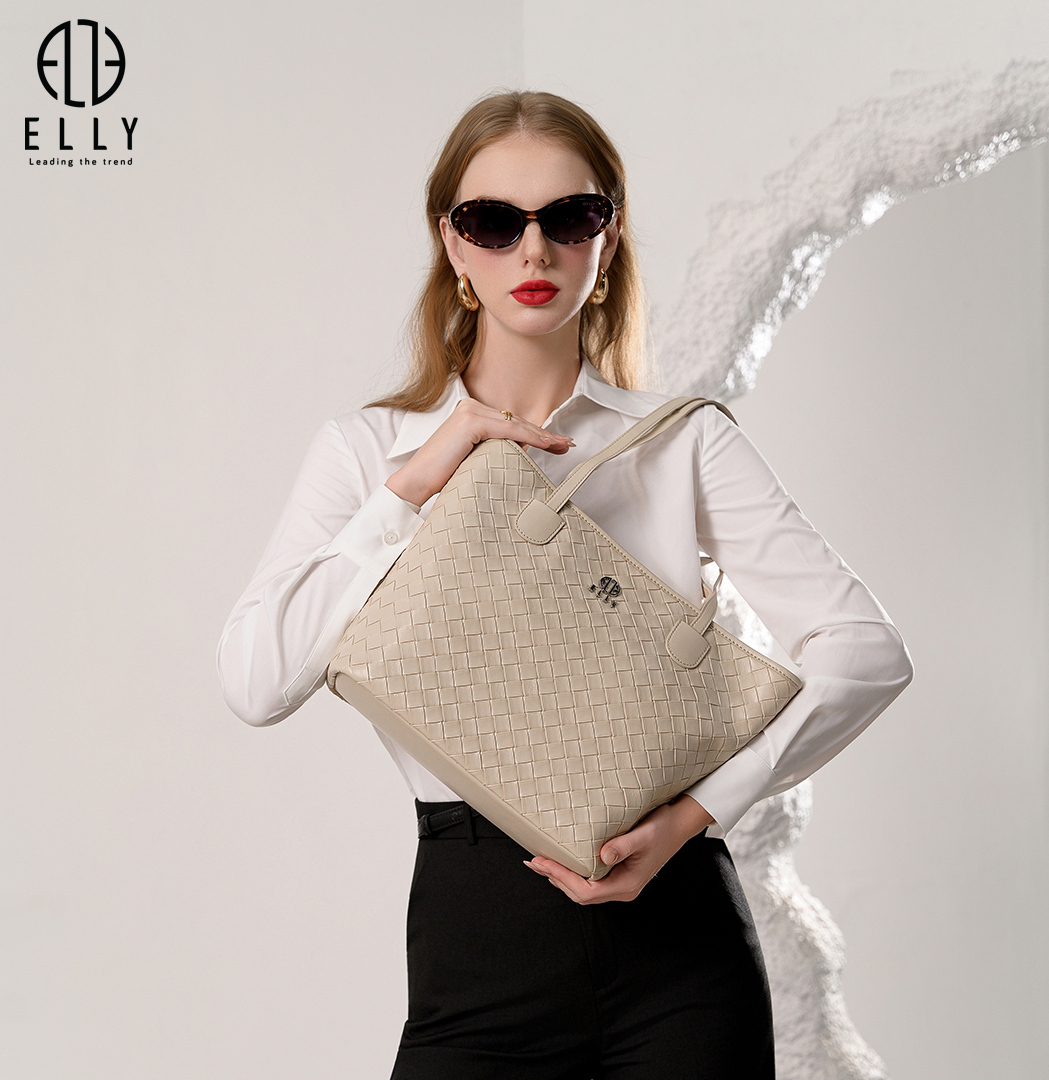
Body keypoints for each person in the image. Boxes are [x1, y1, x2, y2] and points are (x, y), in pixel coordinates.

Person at [217, 90, 913, 1080]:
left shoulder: (681, 442)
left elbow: (866, 654)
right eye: (494, 222)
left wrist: (693, 816)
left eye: (570, 217)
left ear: (608, 236)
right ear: (452, 244)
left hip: (679, 956)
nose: (533, 251)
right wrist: (414, 489)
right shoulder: (371, 452)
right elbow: (256, 681)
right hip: (473, 950)